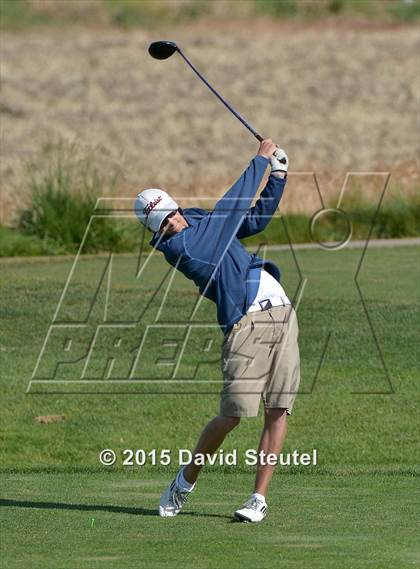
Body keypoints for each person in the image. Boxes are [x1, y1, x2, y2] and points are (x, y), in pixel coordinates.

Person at [134, 139, 300, 523]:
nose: (173, 221)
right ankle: (185, 480)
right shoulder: (185, 247)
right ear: (156, 231)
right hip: (245, 324)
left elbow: (254, 220)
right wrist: (258, 163)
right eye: (164, 222)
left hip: (282, 312)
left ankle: (258, 499)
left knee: (278, 409)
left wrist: (278, 175)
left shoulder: (201, 222)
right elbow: (232, 207)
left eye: (172, 213)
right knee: (232, 416)